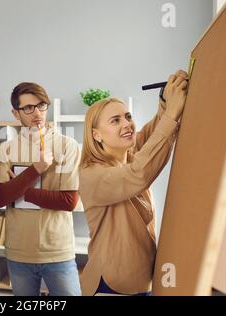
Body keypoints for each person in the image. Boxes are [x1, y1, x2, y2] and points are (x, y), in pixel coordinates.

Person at [78, 70, 189, 296]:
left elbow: (151, 136)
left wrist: (166, 102)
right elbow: (139, 172)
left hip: (140, 281)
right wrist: (173, 112)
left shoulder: (126, 155)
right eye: (115, 120)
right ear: (97, 135)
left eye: (128, 116)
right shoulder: (92, 174)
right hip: (110, 286)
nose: (127, 124)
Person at [0, 82, 81, 296]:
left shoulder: (68, 146)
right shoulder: (6, 149)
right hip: (19, 252)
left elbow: (68, 202)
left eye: (41, 106)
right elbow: (1, 198)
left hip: (58, 251)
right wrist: (36, 169)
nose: (37, 113)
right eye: (28, 108)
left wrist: (22, 188)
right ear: (16, 113)